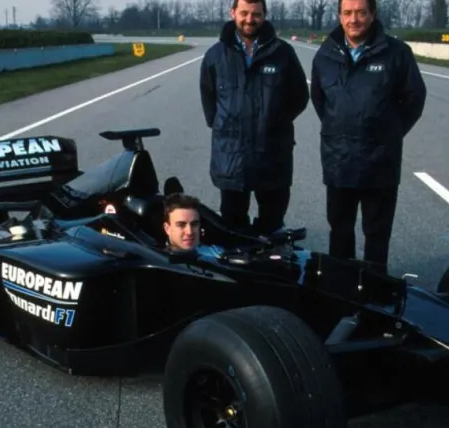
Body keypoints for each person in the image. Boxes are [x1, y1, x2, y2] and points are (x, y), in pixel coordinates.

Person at [309, 0, 427, 274]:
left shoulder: (396, 53)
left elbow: (414, 98)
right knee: (340, 232)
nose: (354, 20)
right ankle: (341, 291)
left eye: (361, 12)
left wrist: (390, 133)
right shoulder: (325, 55)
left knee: (376, 234)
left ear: (372, 15)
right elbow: (320, 101)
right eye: (348, 13)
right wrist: (339, 129)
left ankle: (375, 296)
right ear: (339, 17)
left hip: (380, 163)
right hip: (339, 160)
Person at [199, 0, 310, 236]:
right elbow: (209, 102)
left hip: (273, 157)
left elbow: (300, 96)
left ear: (265, 15)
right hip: (231, 158)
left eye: (256, 14)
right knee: (233, 229)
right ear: (233, 13)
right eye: (244, 13)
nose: (250, 20)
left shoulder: (283, 53)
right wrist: (224, 126)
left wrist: (274, 122)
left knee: (272, 228)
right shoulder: (215, 56)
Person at [162, 193, 225, 258]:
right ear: (167, 229)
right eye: (181, 225)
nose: (189, 232)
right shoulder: (158, 262)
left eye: (194, 224)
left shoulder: (218, 254)